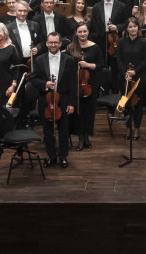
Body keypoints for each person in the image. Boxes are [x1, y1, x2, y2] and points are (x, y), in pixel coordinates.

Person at [30, 31, 78, 167]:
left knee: (63, 129)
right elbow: (33, 79)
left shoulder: (69, 60)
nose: (53, 45)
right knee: (47, 130)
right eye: (50, 42)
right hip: (45, 99)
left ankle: (63, 156)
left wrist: (71, 103)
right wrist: (45, 84)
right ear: (46, 43)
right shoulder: (39, 60)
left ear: (60, 44)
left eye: (56, 42)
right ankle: (51, 156)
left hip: (63, 98)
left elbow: (73, 83)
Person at [114, 17, 146, 140]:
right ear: (127, 28)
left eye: (135, 26)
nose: (132, 29)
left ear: (138, 27)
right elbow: (118, 59)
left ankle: (136, 128)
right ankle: (128, 128)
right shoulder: (121, 42)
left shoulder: (143, 42)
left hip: (139, 77)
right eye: (130, 27)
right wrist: (124, 72)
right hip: (124, 77)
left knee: (138, 104)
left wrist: (135, 71)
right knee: (126, 102)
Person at [70, 22, 105, 151]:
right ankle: (80, 138)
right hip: (76, 84)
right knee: (78, 113)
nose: (82, 34)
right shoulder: (71, 48)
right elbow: (67, 66)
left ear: (88, 32)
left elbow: (101, 65)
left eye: (84, 31)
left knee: (89, 113)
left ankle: (87, 137)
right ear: (76, 33)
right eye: (80, 32)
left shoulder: (95, 47)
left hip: (90, 83)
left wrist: (87, 65)